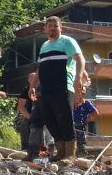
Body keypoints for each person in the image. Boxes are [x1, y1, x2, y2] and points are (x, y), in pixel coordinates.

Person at [36, 16, 89, 161]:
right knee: (50, 120)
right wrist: (33, 86)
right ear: (45, 29)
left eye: (55, 25)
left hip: (64, 85)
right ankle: (60, 152)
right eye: (50, 26)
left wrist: (78, 78)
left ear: (61, 28)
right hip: (46, 88)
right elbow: (39, 68)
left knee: (64, 119)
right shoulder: (44, 46)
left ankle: (70, 154)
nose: (52, 28)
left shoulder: (67, 41)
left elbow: (80, 59)